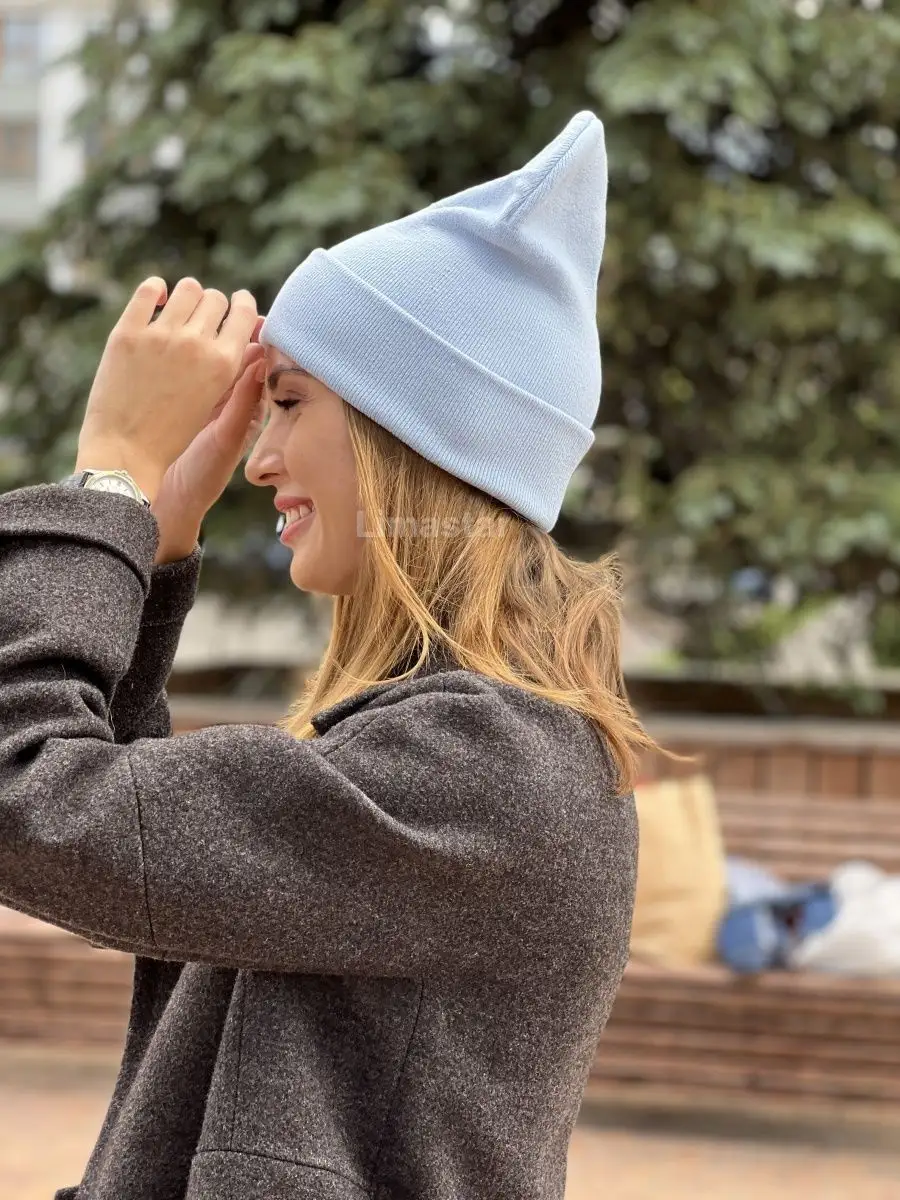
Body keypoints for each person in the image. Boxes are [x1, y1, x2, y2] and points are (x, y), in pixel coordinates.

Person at [0, 111, 658, 1200]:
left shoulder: (481, 770)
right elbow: (134, 847)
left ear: (415, 441)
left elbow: (29, 798)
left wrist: (109, 474)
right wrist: (154, 546)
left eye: (291, 402)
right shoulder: (458, 749)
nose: (260, 459)